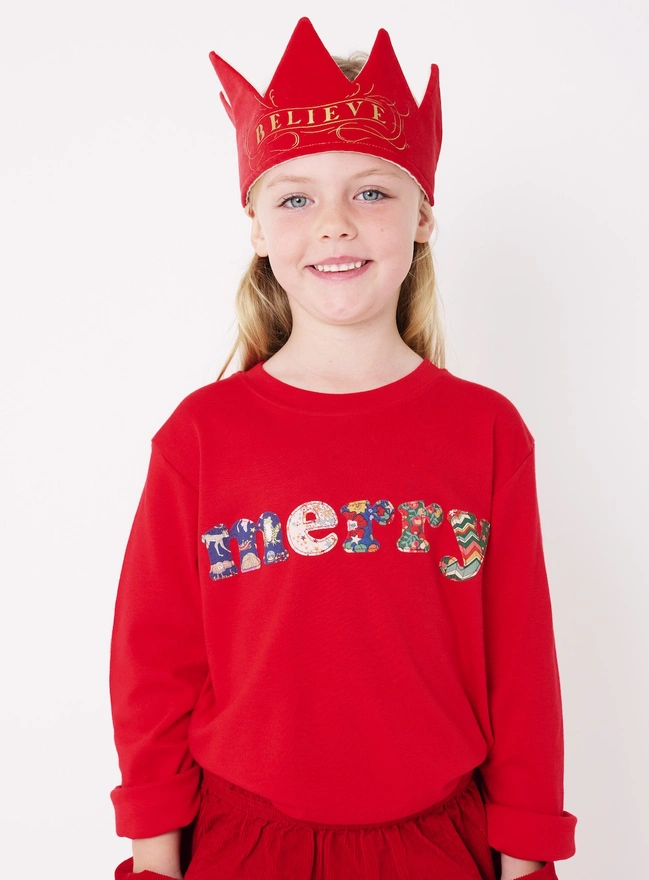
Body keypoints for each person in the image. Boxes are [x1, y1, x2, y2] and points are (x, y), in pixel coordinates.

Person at [109, 17, 577, 880]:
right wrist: (154, 861)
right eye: (296, 199)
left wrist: (529, 861)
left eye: (370, 193)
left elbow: (521, 674)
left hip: (436, 849)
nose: (334, 225)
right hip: (246, 850)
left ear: (423, 216)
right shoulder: (200, 437)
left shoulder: (487, 432)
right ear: (256, 227)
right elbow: (154, 670)